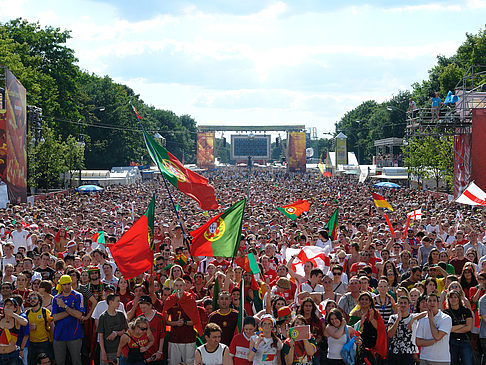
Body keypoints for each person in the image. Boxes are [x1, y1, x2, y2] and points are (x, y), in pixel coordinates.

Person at [51, 274, 84, 365]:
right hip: (59, 335)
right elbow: (55, 317)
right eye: (64, 284)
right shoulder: (56, 298)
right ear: (61, 285)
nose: (67, 286)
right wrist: (71, 310)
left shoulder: (78, 296)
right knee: (59, 362)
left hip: (74, 335)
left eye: (69, 284)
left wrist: (64, 307)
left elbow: (79, 315)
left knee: (76, 361)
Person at [415, 293, 453, 365]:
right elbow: (418, 342)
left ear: (438, 303)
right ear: (426, 303)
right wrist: (433, 341)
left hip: (441, 360)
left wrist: (431, 320)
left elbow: (437, 336)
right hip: (425, 358)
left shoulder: (446, 318)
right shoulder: (422, 320)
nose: (432, 303)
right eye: (430, 301)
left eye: (434, 300)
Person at [387, 296, 422, 365]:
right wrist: (398, 319)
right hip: (394, 352)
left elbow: (426, 313)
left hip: (408, 353)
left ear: (409, 305)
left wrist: (413, 319)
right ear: (398, 305)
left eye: (405, 303)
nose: (403, 305)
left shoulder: (413, 316)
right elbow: (390, 334)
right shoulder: (393, 317)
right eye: (401, 303)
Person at [443, 290, 473, 365]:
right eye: (451, 297)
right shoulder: (445, 313)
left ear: (458, 299)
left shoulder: (466, 311)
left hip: (465, 340)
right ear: (448, 299)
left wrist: (453, 329)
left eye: (455, 297)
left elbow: (469, 327)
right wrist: (463, 326)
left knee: (467, 362)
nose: (453, 299)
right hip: (452, 341)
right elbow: (447, 329)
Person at [97, 293, 128, 365]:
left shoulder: (121, 315)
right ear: (111, 302)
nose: (119, 303)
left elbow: (124, 331)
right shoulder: (103, 317)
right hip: (107, 351)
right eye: (117, 301)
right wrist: (103, 352)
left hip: (119, 350)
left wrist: (116, 333)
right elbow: (100, 335)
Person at [26, 291, 53, 365]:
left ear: (39, 300)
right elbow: (22, 327)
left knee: (45, 362)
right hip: (31, 343)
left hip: (43, 343)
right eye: (30, 298)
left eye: (35, 298)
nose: (32, 300)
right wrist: (28, 327)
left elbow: (53, 324)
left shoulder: (45, 311)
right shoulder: (27, 313)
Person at [138, 295, 165, 364]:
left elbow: (162, 335)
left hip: (156, 353)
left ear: (150, 306)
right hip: (143, 354)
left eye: (144, 307)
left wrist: (159, 351)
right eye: (141, 308)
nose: (143, 310)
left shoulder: (159, 317)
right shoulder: (140, 318)